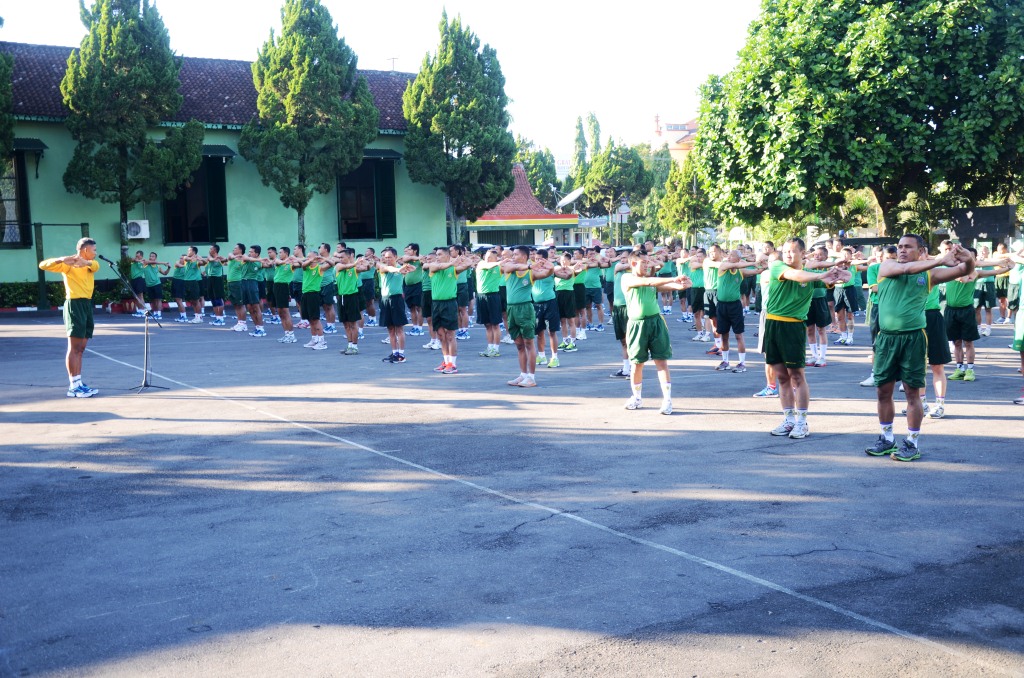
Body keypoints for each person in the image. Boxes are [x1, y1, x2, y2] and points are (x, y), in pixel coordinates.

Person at [865, 237, 974, 461]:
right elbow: (906, 269)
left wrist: (969, 259)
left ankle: (912, 443)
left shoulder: (929, 275)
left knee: (912, 392)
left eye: (908, 247)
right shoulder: (887, 266)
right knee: (883, 391)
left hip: (913, 338)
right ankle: (887, 439)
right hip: (886, 339)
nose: (902, 250)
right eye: (900, 247)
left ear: (921, 250)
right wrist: (941, 260)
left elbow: (964, 270)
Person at [763, 238, 850, 439]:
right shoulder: (777, 266)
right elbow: (795, 275)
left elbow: (832, 279)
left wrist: (841, 274)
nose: (788, 254)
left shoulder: (810, 275)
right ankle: (789, 420)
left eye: (793, 251)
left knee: (797, 376)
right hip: (773, 323)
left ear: (803, 254)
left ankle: (802, 422)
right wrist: (823, 274)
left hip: (793, 326)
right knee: (781, 376)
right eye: (786, 251)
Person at [620, 251, 691, 414]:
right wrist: (674, 278)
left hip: (656, 323)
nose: (647, 265)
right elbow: (650, 282)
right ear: (633, 264)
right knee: (637, 363)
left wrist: (684, 284)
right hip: (637, 325)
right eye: (644, 262)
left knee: (661, 361)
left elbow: (670, 286)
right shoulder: (627, 278)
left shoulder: (650, 280)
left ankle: (667, 401)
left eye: (648, 262)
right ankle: (637, 397)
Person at [39, 237, 101, 398]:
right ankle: (73, 386)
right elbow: (43, 265)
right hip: (74, 305)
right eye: (94, 250)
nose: (96, 253)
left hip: (86, 305)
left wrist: (85, 262)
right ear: (85, 250)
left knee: (81, 348)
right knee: (74, 348)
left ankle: (79, 383)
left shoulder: (91, 264)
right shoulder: (69, 264)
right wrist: (61, 259)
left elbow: (96, 266)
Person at [708, 248, 764, 372]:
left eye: (732, 255)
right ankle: (725, 361)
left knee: (739, 335)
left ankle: (742, 363)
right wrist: (753, 262)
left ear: (738, 259)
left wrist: (763, 265)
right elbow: (736, 265)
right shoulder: (723, 266)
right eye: (728, 255)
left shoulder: (741, 271)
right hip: (722, 306)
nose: (728, 257)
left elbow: (758, 271)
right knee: (724, 335)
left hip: (735, 306)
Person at [425, 247, 473, 373]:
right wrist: (452, 262)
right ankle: (446, 361)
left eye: (440, 254)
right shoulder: (433, 266)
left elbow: (468, 264)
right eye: (436, 254)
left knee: (450, 335)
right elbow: (439, 267)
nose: (437, 256)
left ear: (447, 256)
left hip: (449, 303)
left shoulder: (454, 269)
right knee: (441, 335)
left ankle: (453, 364)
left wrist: (463, 258)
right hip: (436, 304)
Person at [501, 246, 545, 387]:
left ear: (524, 256)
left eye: (516, 254)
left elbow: (546, 273)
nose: (512, 257)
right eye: (512, 254)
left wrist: (545, 267)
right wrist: (530, 265)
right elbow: (509, 267)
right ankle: (523, 375)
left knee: (528, 343)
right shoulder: (509, 267)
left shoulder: (531, 272)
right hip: (511, 309)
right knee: (519, 344)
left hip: (525, 308)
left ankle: (531, 377)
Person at [377, 247, 414, 363]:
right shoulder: (382, 267)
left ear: (396, 257)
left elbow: (413, 268)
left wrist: (407, 268)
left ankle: (401, 354)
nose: (387, 259)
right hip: (385, 300)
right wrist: (399, 270)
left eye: (390, 257)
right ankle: (394, 353)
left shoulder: (401, 268)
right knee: (390, 329)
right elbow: (388, 268)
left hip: (397, 299)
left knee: (399, 328)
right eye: (385, 257)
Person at [532, 248, 564, 369]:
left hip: (550, 303)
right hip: (536, 304)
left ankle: (555, 358)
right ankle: (541, 356)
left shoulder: (551, 270)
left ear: (545, 259)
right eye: (536, 259)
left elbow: (566, 275)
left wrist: (570, 270)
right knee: (539, 332)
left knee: (551, 331)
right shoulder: (532, 270)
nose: (537, 261)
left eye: (540, 259)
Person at [474, 249, 504, 358]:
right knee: (487, 324)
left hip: (493, 296)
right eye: (486, 256)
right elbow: (488, 265)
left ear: (496, 258)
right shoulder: (481, 264)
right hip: (481, 296)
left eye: (490, 257)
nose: (488, 258)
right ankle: (490, 347)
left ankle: (496, 349)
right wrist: (500, 262)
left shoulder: (499, 267)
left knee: (495, 324)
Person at [272, 246, 298, 343]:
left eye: (281, 252)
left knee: (285, 312)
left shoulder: (291, 264)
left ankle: (291, 335)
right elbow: (277, 261)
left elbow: (299, 264)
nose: (279, 254)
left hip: (284, 287)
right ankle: (286, 334)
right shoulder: (278, 261)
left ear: (286, 253)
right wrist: (287, 260)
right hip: (276, 286)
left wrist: (294, 259)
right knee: (280, 312)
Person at [401, 243, 425, 337]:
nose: (408, 251)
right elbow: (405, 259)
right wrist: (418, 258)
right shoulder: (407, 258)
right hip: (408, 286)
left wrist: (421, 259)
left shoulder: (420, 259)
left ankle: (420, 328)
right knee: (411, 308)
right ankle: (414, 327)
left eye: (410, 249)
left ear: (415, 250)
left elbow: (424, 263)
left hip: (418, 285)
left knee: (419, 307)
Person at [203, 244, 227, 326]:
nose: (209, 250)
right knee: (213, 299)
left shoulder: (220, 258)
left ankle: (221, 319)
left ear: (215, 250)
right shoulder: (209, 257)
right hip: (210, 278)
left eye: (211, 249)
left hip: (217, 279)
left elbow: (225, 260)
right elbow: (209, 259)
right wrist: (215, 259)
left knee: (218, 299)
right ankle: (217, 318)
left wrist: (222, 259)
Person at [141, 252, 169, 320]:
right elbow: (151, 262)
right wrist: (163, 263)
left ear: (155, 258)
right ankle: (155, 313)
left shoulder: (157, 266)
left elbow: (165, 273)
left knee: (158, 299)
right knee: (152, 300)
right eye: (150, 256)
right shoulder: (145, 263)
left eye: (153, 256)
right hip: (149, 285)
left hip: (157, 284)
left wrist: (169, 268)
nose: (151, 257)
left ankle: (158, 314)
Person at [129, 250, 146, 316]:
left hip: (139, 279)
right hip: (133, 280)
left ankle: (143, 311)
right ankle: (139, 310)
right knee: (135, 296)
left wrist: (140, 261)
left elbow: (144, 263)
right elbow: (132, 259)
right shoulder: (134, 261)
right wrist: (137, 260)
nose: (136, 257)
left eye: (138, 256)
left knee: (140, 296)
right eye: (136, 256)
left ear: (141, 256)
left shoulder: (143, 262)